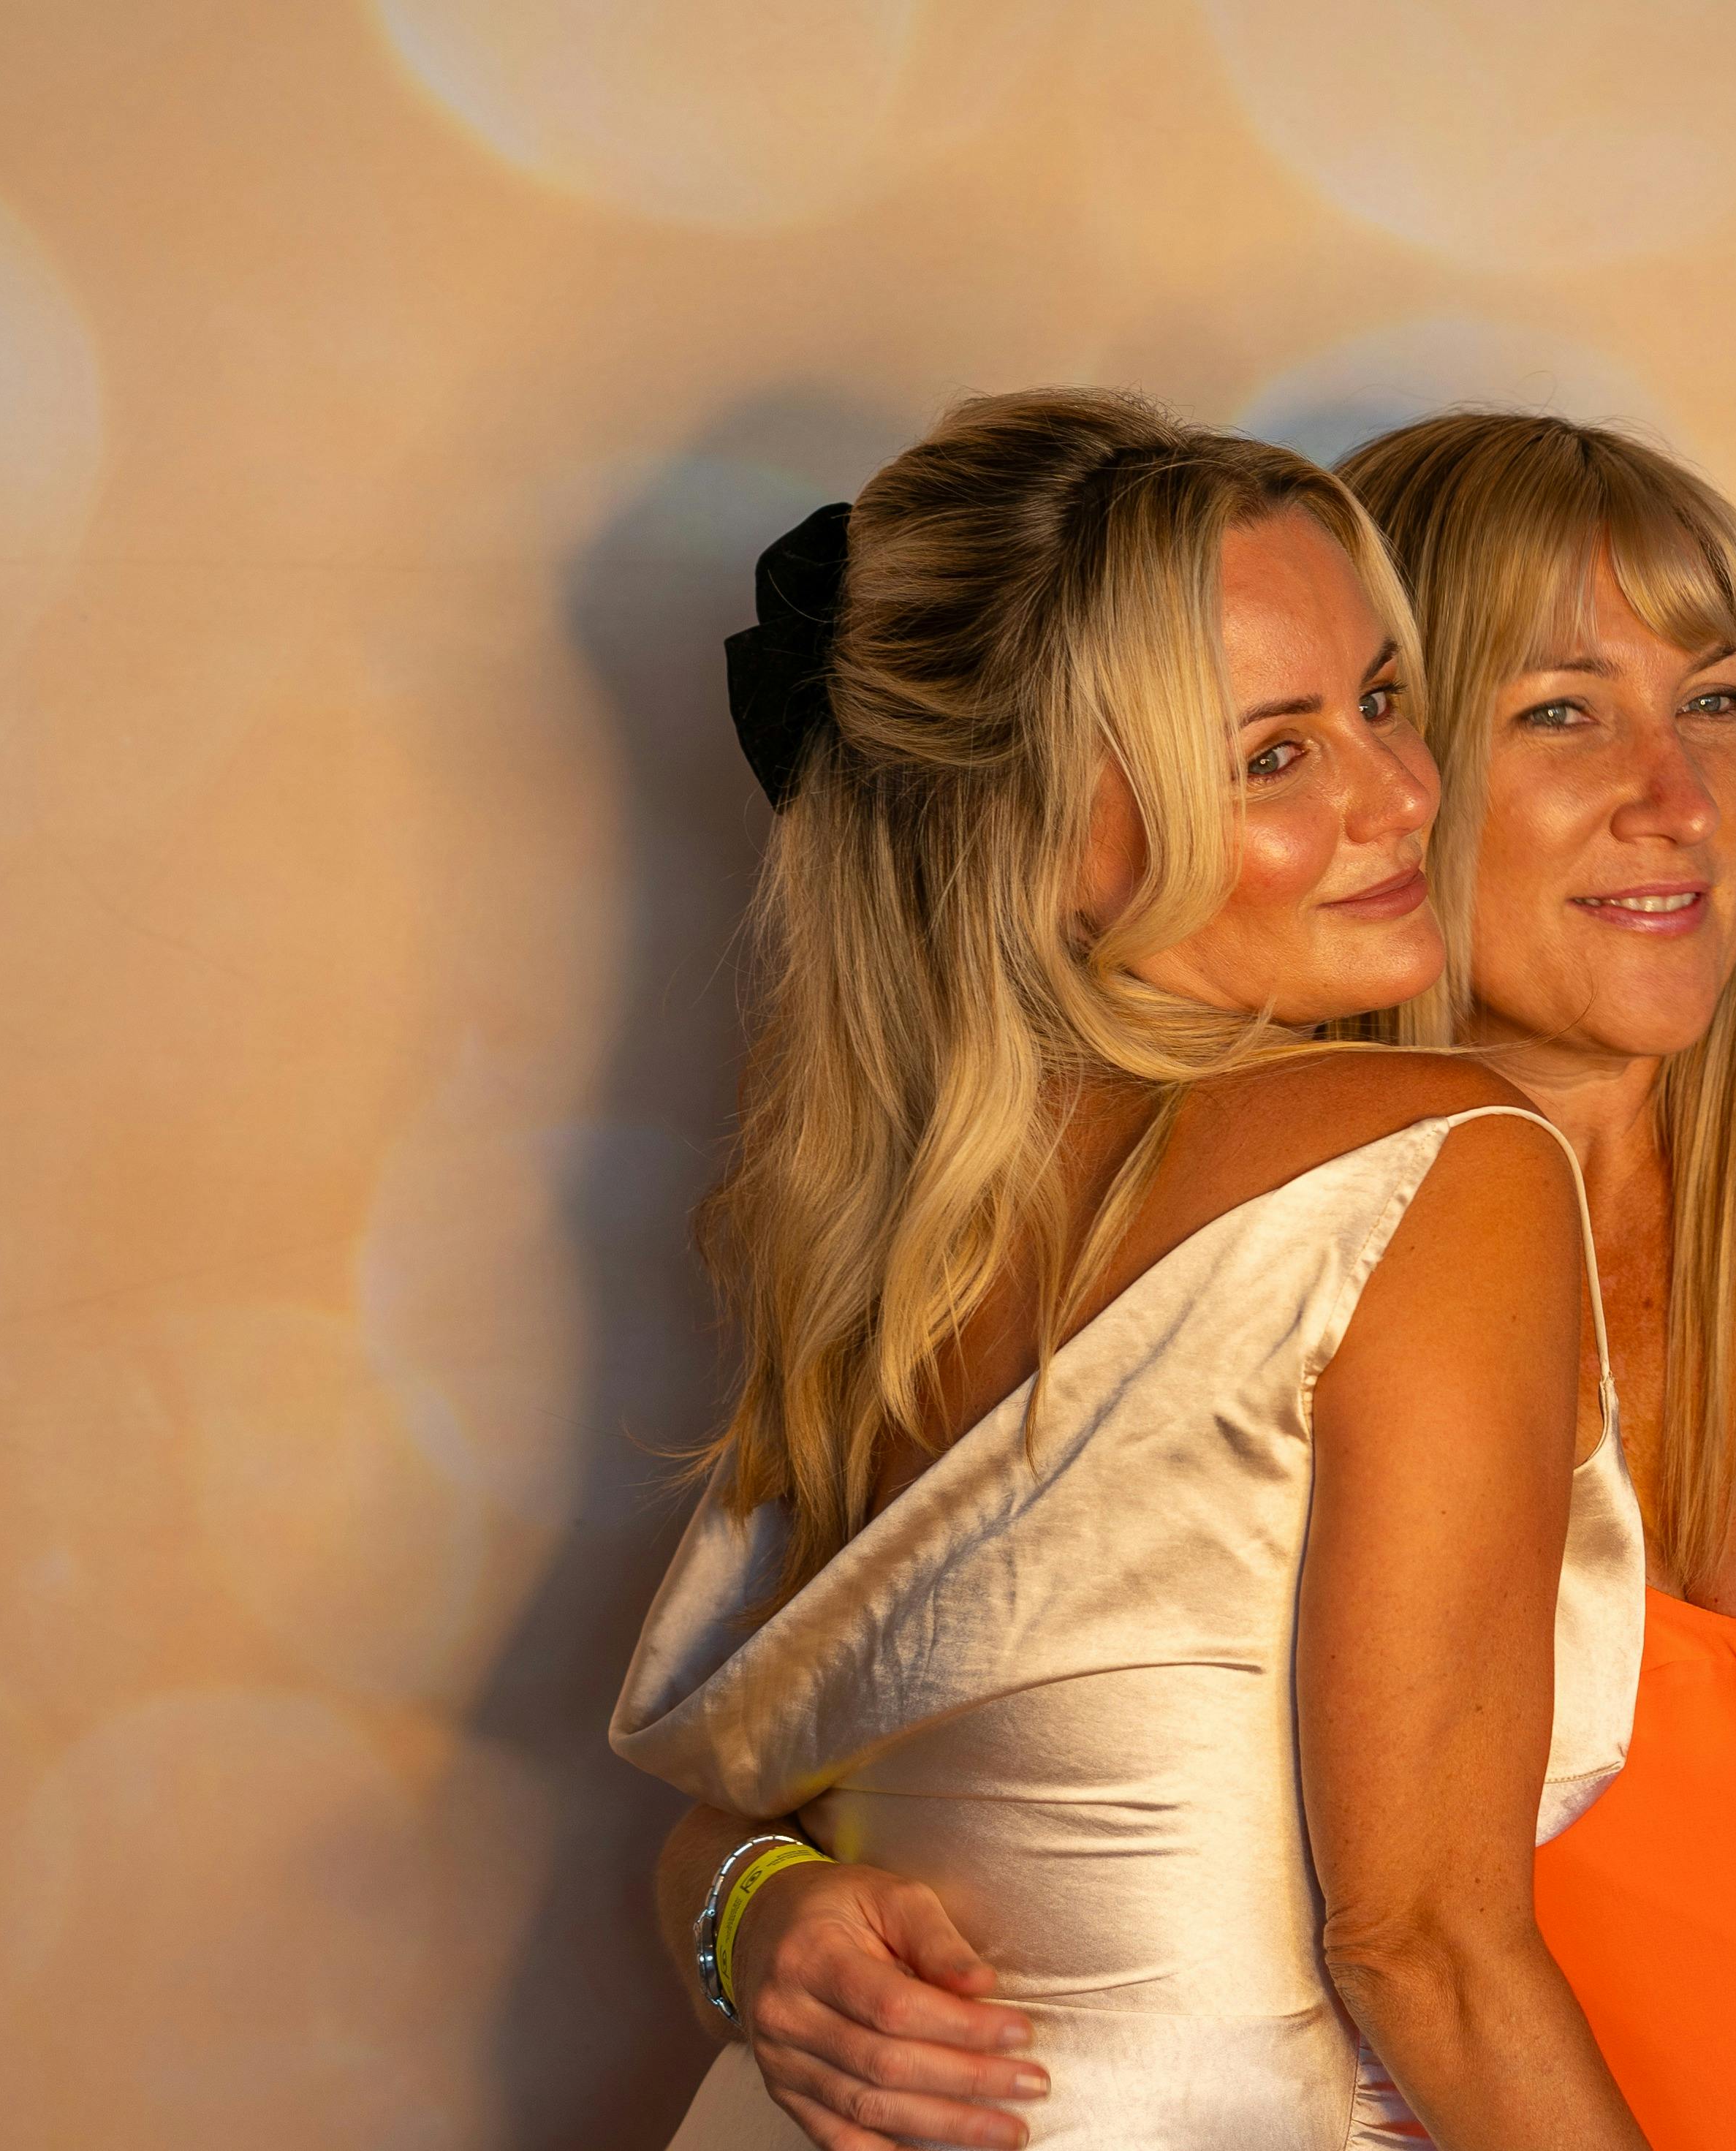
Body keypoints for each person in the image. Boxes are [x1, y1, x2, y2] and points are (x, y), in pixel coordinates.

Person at [676, 411, 1736, 2150]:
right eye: (1560, 712)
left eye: (1717, 701)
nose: (1676, 798)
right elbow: (899, 1754)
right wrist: (752, 1905)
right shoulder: (1207, 1254)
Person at [609, 389, 1656, 2150]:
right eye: (1271, 758)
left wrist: (748, 1911)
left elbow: (740, 1820)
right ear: (1032, 830)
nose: (1406, 793)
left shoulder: (886, 1248)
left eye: (1379, 701)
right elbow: (1427, 1953)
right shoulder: (1438, 1164)